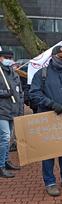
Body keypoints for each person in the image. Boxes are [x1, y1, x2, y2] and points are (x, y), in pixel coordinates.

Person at [29, 46, 62, 196]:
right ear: (54, 57)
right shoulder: (42, 74)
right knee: (49, 152)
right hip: (49, 118)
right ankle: (50, 182)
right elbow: (34, 93)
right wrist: (51, 104)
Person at [0, 50, 23, 178]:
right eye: (5, 57)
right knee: (5, 138)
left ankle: (6, 161)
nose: (8, 59)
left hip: (12, 110)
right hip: (1, 110)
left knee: (8, 139)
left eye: (10, 57)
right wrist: (4, 93)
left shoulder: (14, 73)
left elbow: (20, 93)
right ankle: (1, 166)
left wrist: (20, 110)